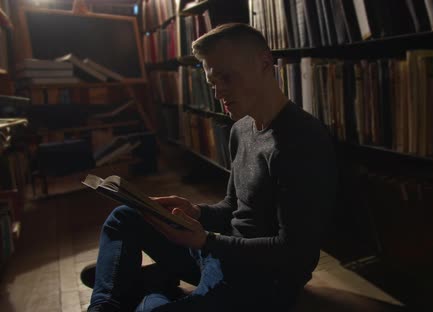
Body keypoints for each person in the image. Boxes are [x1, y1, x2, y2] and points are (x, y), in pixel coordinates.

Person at [86, 23, 338, 312]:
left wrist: (207, 241)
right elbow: (234, 205)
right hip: (219, 254)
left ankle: (152, 287)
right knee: (125, 217)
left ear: (265, 63)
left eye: (227, 77)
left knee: (149, 307)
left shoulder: (302, 141)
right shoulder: (241, 129)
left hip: (264, 281)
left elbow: (295, 252)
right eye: (212, 83)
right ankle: (107, 305)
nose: (218, 93)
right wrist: (196, 213)